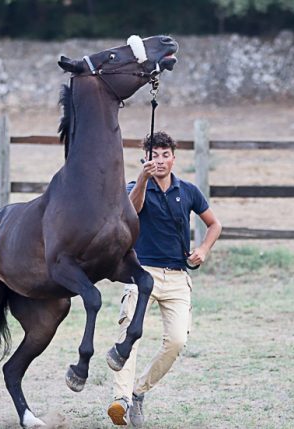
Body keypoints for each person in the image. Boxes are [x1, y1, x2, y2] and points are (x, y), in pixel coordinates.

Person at [107, 131, 222, 427]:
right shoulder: (135, 186)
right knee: (127, 335)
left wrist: (203, 249)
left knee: (176, 341)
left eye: (164, 155)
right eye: (153, 155)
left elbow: (214, 224)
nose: (159, 161)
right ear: (146, 158)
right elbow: (131, 211)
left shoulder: (188, 190)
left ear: (173, 157)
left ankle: (138, 390)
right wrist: (143, 179)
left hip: (177, 277)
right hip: (142, 275)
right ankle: (121, 400)